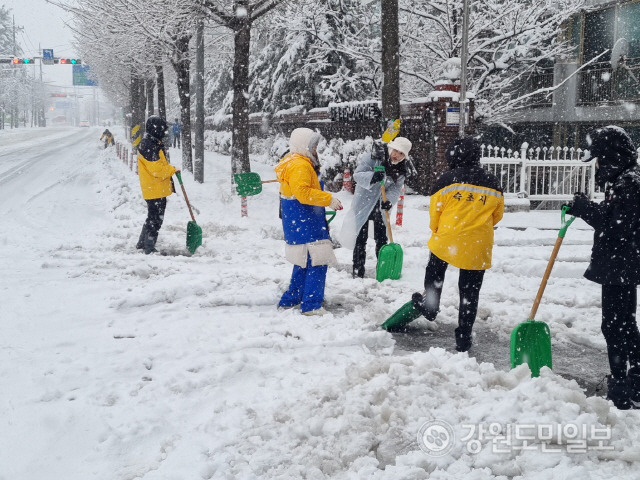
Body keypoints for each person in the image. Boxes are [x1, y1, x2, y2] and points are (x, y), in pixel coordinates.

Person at [564, 126, 640, 410]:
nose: (597, 165)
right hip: (623, 264)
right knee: (625, 323)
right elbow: (614, 217)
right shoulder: (625, 179)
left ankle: (621, 386)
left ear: (610, 156)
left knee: (615, 325)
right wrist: (586, 208)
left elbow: (616, 226)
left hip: (622, 264)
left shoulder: (629, 182)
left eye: (599, 158)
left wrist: (585, 209)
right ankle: (633, 380)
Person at [411, 136, 504, 352]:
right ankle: (464, 336)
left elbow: (435, 213)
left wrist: (438, 230)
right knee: (470, 291)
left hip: (447, 239)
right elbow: (497, 215)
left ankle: (431, 307)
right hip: (478, 242)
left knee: (435, 272)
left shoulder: (445, 180)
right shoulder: (493, 182)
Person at [275, 127, 343, 315]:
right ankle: (311, 305)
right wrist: (328, 199)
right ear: (303, 146)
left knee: (304, 260)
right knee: (317, 259)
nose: (315, 149)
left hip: (300, 219)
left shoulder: (294, 161)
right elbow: (303, 193)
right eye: (313, 146)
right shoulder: (300, 165)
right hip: (305, 219)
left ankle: (292, 298)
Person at [338, 137, 412, 278]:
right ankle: (358, 271)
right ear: (391, 147)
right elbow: (357, 175)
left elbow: (396, 188)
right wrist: (373, 176)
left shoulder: (402, 169)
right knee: (360, 237)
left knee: (381, 238)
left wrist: (389, 201)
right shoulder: (373, 157)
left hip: (380, 206)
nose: (397, 155)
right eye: (396, 150)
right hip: (364, 202)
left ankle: (383, 269)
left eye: (401, 153)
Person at [136, 116, 179, 254]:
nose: (164, 133)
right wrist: (172, 169)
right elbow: (157, 170)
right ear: (156, 129)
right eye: (162, 129)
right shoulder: (149, 145)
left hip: (153, 188)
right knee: (156, 219)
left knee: (152, 217)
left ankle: (142, 243)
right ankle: (149, 247)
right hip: (154, 188)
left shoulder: (151, 142)